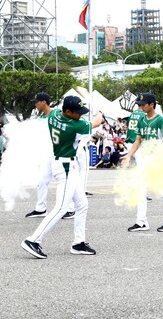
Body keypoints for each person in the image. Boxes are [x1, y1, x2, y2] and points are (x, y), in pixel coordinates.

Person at [21, 95, 103, 259]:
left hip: (64, 163)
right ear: (67, 111)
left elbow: (51, 111)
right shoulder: (74, 125)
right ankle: (33, 240)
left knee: (82, 204)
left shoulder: (54, 115)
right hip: (66, 166)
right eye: (77, 112)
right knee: (61, 208)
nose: (80, 115)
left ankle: (78, 243)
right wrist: (100, 111)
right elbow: (97, 122)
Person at [122, 93, 163, 232]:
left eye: (142, 104)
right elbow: (138, 140)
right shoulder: (142, 119)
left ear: (151, 104)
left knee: (162, 191)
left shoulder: (160, 120)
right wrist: (129, 155)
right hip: (145, 159)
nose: (139, 106)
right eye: (139, 104)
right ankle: (141, 222)